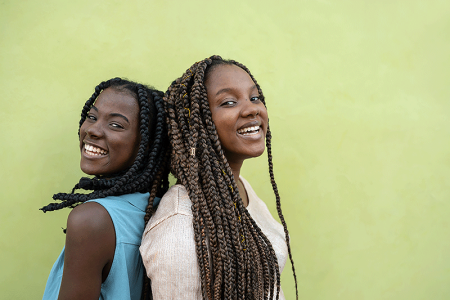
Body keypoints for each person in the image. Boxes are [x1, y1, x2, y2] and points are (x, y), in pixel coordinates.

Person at [140, 56, 298, 300]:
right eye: (229, 102)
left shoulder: (238, 188)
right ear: (198, 124)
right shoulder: (180, 228)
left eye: (254, 97)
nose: (252, 109)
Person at [41, 78, 170, 300]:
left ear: (146, 144)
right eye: (92, 117)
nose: (92, 130)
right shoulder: (160, 208)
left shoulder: (92, 219)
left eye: (116, 125)